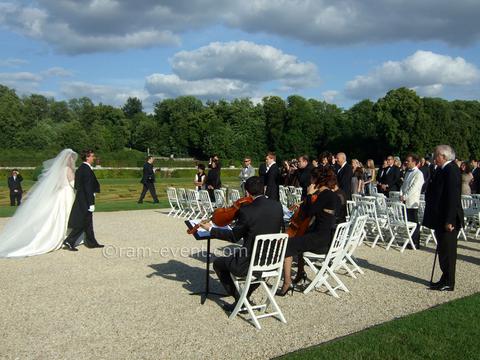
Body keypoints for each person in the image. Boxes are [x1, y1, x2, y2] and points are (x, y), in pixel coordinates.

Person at [200, 176, 283, 311]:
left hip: (250, 262)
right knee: (250, 266)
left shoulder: (247, 211)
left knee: (218, 264)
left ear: (247, 193)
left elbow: (233, 236)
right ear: (265, 189)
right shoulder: (277, 206)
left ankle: (240, 299)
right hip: (272, 260)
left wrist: (211, 228)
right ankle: (245, 297)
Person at [0, 149, 78, 257]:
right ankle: (64, 236)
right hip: (67, 194)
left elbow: (58, 183)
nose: (73, 160)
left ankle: (64, 235)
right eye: (72, 158)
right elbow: (73, 184)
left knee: (59, 214)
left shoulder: (60, 169)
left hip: (61, 193)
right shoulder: (68, 169)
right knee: (66, 213)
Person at [277, 168, 338, 296]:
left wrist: (310, 194)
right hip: (325, 236)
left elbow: (310, 212)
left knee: (287, 244)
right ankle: (300, 273)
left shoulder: (325, 195)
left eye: (311, 178)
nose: (309, 181)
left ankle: (287, 283)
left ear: (316, 180)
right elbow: (308, 211)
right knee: (300, 238)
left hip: (321, 240)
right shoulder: (329, 194)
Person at [423, 145, 463, 291]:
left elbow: (452, 197)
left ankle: (449, 281)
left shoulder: (451, 170)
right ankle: (444, 277)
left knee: (448, 251)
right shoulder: (441, 169)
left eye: (436, 155)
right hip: (440, 217)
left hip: (448, 219)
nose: (434, 157)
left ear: (444, 156)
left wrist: (450, 220)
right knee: (443, 250)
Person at [63, 150, 104, 251]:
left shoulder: (82, 168)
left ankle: (91, 242)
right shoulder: (85, 169)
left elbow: (77, 185)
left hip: (83, 198)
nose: (93, 158)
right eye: (92, 156)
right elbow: (87, 187)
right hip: (85, 200)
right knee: (83, 222)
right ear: (87, 157)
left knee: (88, 222)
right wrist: (91, 203)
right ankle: (69, 241)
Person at [400, 154, 424, 249]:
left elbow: (414, 188)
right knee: (408, 221)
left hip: (412, 201)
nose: (406, 162)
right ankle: (410, 240)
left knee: (414, 222)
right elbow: (404, 185)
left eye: (408, 161)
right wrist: (401, 194)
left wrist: (405, 196)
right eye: (406, 160)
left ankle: (415, 242)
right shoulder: (407, 172)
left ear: (414, 162)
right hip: (405, 200)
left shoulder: (419, 174)